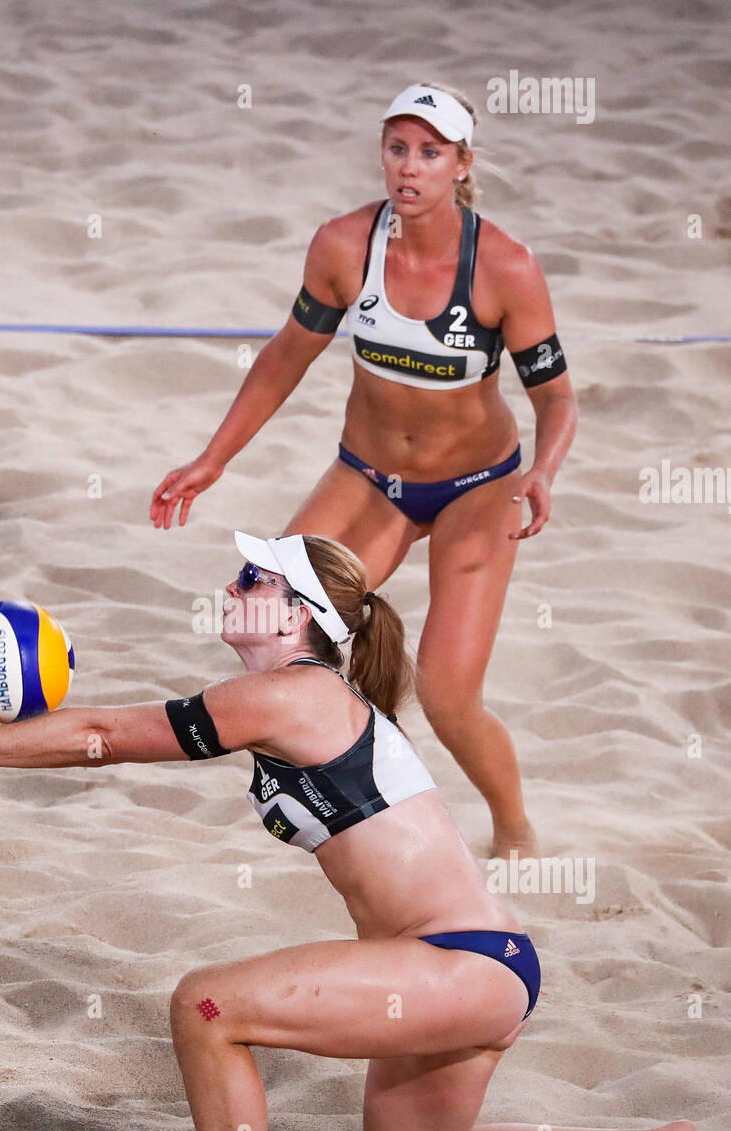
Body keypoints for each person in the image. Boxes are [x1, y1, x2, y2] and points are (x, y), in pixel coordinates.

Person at [0, 531, 694, 1131]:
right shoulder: (307, 697)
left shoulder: (293, 694)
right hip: (466, 968)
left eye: (254, 581)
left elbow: (103, 737)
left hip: (459, 964)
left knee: (207, 1009)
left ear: (297, 617)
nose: (231, 587)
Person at [149, 82, 579, 860]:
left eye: (430, 152)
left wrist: (545, 470)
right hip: (368, 475)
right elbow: (285, 355)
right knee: (263, 619)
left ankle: (513, 827)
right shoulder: (345, 246)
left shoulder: (505, 269)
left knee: (448, 694)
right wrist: (213, 459)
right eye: (397, 148)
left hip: (477, 489)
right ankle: (340, 804)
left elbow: (557, 400)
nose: (409, 167)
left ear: (462, 164)